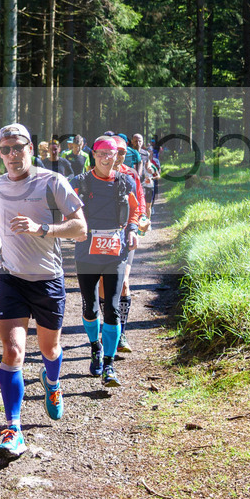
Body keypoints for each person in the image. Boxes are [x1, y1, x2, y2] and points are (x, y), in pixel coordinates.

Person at [0, 123, 87, 461]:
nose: (13, 155)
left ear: (31, 148)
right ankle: (13, 428)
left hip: (48, 280)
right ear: (0, 153)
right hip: (12, 279)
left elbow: (81, 228)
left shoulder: (52, 181)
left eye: (19, 147)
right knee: (12, 352)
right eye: (6, 149)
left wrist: (43, 228)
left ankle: (52, 384)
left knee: (50, 350)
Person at [69, 136, 140, 388]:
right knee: (90, 308)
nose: (106, 158)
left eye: (111, 154)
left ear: (117, 156)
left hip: (115, 253)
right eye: (101, 153)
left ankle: (109, 364)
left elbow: (135, 208)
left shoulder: (126, 181)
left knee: (111, 307)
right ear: (94, 155)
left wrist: (132, 228)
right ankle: (95, 347)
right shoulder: (79, 182)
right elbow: (62, 206)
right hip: (87, 253)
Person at [111, 134, 147, 354]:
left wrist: (140, 222)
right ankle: (104, 329)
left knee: (123, 282)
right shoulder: (93, 175)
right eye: (116, 150)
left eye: (124, 152)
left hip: (124, 237)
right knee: (103, 288)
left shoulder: (131, 174)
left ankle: (121, 333)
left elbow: (139, 203)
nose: (119, 155)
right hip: (101, 239)